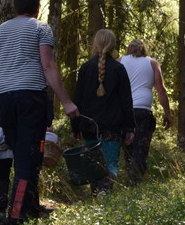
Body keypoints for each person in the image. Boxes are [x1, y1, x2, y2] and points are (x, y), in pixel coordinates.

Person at [0, 0, 78, 225]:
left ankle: (31, 206)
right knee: (27, 159)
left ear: (16, 6)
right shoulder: (41, 28)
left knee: (25, 154)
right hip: (30, 99)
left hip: (4, 102)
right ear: (37, 7)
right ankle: (17, 215)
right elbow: (48, 66)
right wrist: (67, 101)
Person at [72, 30, 135, 187]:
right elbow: (126, 101)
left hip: (89, 125)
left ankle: (97, 195)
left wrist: (76, 127)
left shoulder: (85, 69)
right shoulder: (118, 69)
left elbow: (77, 100)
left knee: (94, 163)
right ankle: (105, 194)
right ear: (113, 45)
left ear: (95, 44)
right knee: (111, 162)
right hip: (113, 125)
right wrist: (130, 127)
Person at [120, 38, 172, 179]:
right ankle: (136, 178)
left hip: (124, 111)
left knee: (127, 144)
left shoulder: (120, 61)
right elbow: (161, 91)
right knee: (141, 145)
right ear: (144, 49)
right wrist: (167, 113)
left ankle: (130, 175)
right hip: (143, 111)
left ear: (129, 48)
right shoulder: (152, 63)